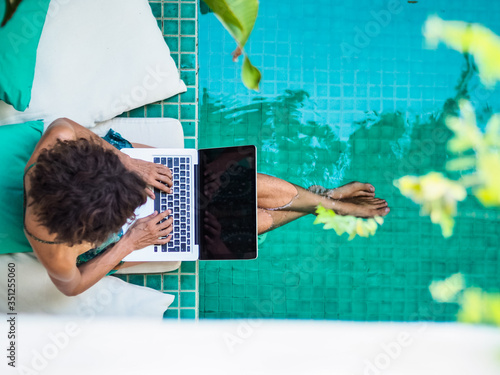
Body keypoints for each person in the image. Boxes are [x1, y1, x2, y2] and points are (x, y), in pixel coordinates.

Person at [25, 118, 389, 296]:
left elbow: (63, 126)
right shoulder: (52, 244)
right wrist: (130, 240)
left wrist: (128, 164)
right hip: (128, 236)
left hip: (114, 171)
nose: (139, 202)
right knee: (212, 227)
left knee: (220, 183)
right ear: (93, 228)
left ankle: (327, 204)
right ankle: (326, 203)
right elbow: (70, 285)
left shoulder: (57, 146)